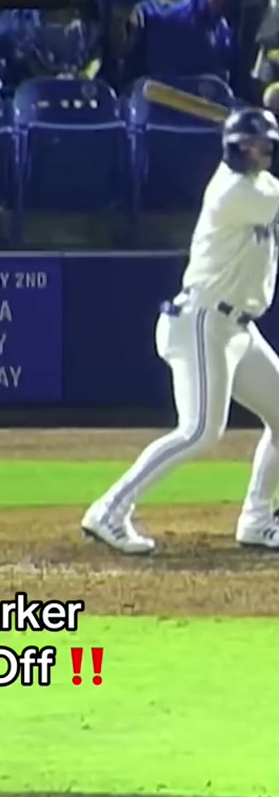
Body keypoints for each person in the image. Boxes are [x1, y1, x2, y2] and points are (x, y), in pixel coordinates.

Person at [81, 108, 279, 554]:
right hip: (203, 321)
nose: (255, 151)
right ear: (233, 147)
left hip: (238, 328)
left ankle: (257, 519)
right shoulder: (233, 191)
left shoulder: (265, 187)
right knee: (200, 431)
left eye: (261, 144)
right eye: (249, 144)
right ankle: (109, 510)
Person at [0, 0, 103, 89]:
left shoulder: (89, 23)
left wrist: (85, 76)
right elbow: (25, 61)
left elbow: (97, 54)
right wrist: (51, 82)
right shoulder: (18, 21)